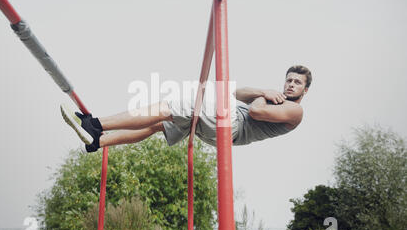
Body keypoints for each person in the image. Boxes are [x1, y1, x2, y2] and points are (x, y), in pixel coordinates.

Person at [60, 65, 312, 152]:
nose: (291, 85)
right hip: (223, 128)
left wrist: (264, 97)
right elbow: (237, 93)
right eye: (288, 80)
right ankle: (98, 143)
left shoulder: (295, 111)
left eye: (297, 82)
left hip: (229, 125)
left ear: (305, 90)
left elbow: (255, 111)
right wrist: (263, 91)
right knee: (160, 124)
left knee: (169, 106)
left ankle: (95, 125)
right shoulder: (273, 98)